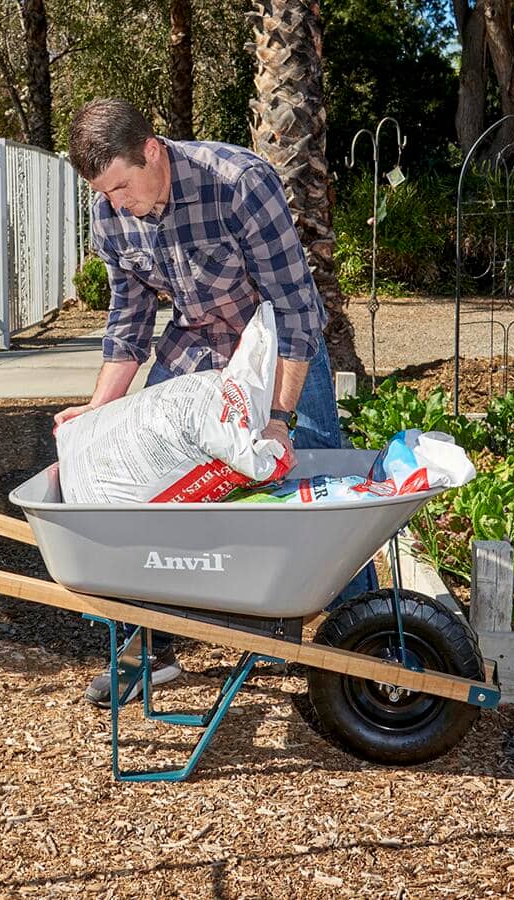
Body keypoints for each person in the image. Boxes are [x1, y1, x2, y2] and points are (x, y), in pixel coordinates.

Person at [57, 98, 375, 706]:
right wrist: (99, 412)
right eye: (107, 193)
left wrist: (279, 420)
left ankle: (363, 639)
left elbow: (296, 308)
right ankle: (151, 649)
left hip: (275, 345)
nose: (118, 202)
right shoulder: (111, 216)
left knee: (321, 483)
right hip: (197, 344)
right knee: (140, 481)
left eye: (123, 186)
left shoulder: (238, 183)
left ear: (151, 150)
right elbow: (129, 322)